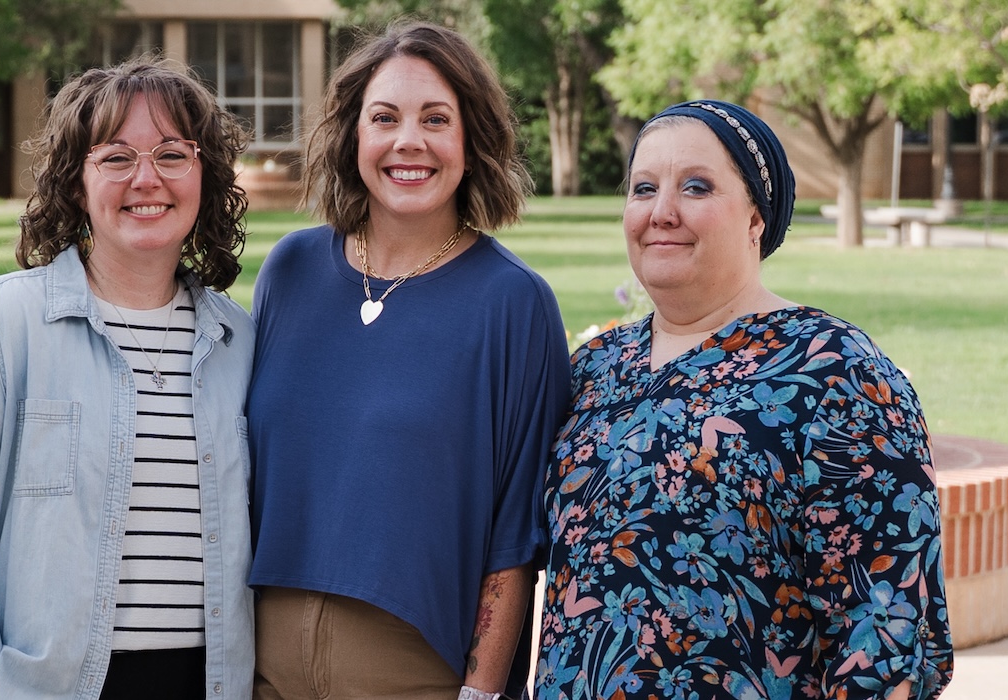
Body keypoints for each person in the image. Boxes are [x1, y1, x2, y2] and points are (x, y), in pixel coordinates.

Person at [532, 100, 953, 700]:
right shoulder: (595, 369)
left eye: (696, 187)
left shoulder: (835, 373)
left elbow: (885, 633)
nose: (662, 211)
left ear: (757, 218)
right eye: (644, 188)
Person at [0, 59, 256, 700]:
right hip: (46, 686)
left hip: (207, 682)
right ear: (75, 182)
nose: (147, 178)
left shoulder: (239, 342)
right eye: (116, 158)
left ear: (206, 176)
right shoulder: (5, 324)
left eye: (172, 154)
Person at [244, 21, 571, 700]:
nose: (408, 141)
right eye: (385, 117)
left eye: (436, 119)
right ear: (354, 135)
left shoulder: (513, 303)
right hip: (260, 665)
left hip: (417, 672)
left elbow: (516, 536)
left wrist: (480, 693)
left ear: (471, 139)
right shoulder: (291, 271)